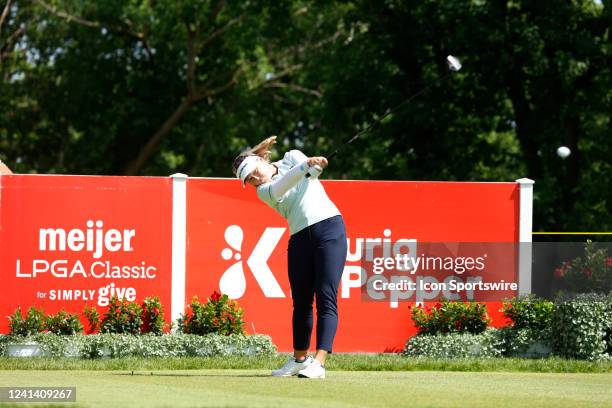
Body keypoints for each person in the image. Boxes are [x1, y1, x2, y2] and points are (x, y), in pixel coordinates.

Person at [232, 136, 347, 379]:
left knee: (326, 296)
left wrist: (315, 166)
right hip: (300, 238)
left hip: (329, 229)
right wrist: (307, 167)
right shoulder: (264, 191)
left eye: (253, 173)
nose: (254, 180)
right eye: (248, 180)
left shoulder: (293, 156)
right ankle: (299, 360)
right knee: (301, 302)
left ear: (261, 161)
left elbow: (311, 173)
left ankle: (319, 363)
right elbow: (284, 183)